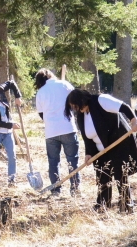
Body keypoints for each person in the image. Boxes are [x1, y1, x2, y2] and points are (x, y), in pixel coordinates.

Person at [64, 89, 137, 213]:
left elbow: (124, 107)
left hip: (118, 143)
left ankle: (126, 206)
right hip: (101, 151)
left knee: (120, 175)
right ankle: (103, 205)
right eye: (73, 107)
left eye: (75, 106)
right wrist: (88, 153)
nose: (75, 110)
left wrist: (134, 121)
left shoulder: (101, 100)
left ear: (81, 100)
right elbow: (87, 138)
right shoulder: (82, 115)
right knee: (102, 176)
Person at [34, 68, 81, 196]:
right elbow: (77, 100)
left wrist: (51, 121)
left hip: (51, 131)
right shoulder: (64, 85)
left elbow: (41, 113)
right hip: (68, 128)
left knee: (53, 162)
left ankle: (56, 190)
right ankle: (75, 189)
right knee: (73, 161)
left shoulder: (41, 92)